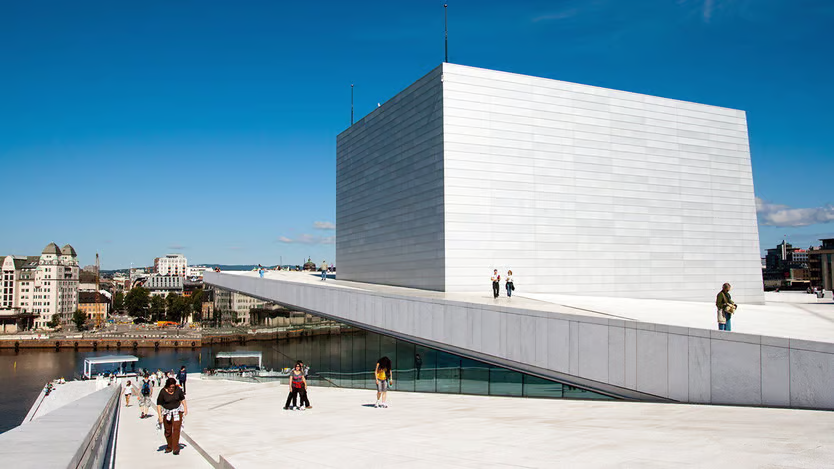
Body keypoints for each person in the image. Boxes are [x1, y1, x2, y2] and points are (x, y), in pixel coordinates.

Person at [157, 378, 188, 455]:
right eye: (170, 387)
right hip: (167, 413)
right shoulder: (163, 392)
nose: (171, 389)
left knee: (176, 429)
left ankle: (175, 448)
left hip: (177, 412)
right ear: (167, 386)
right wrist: (160, 416)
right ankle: (169, 446)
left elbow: (183, 399)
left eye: (173, 387)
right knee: (168, 431)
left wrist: (185, 409)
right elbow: (159, 404)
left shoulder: (178, 390)